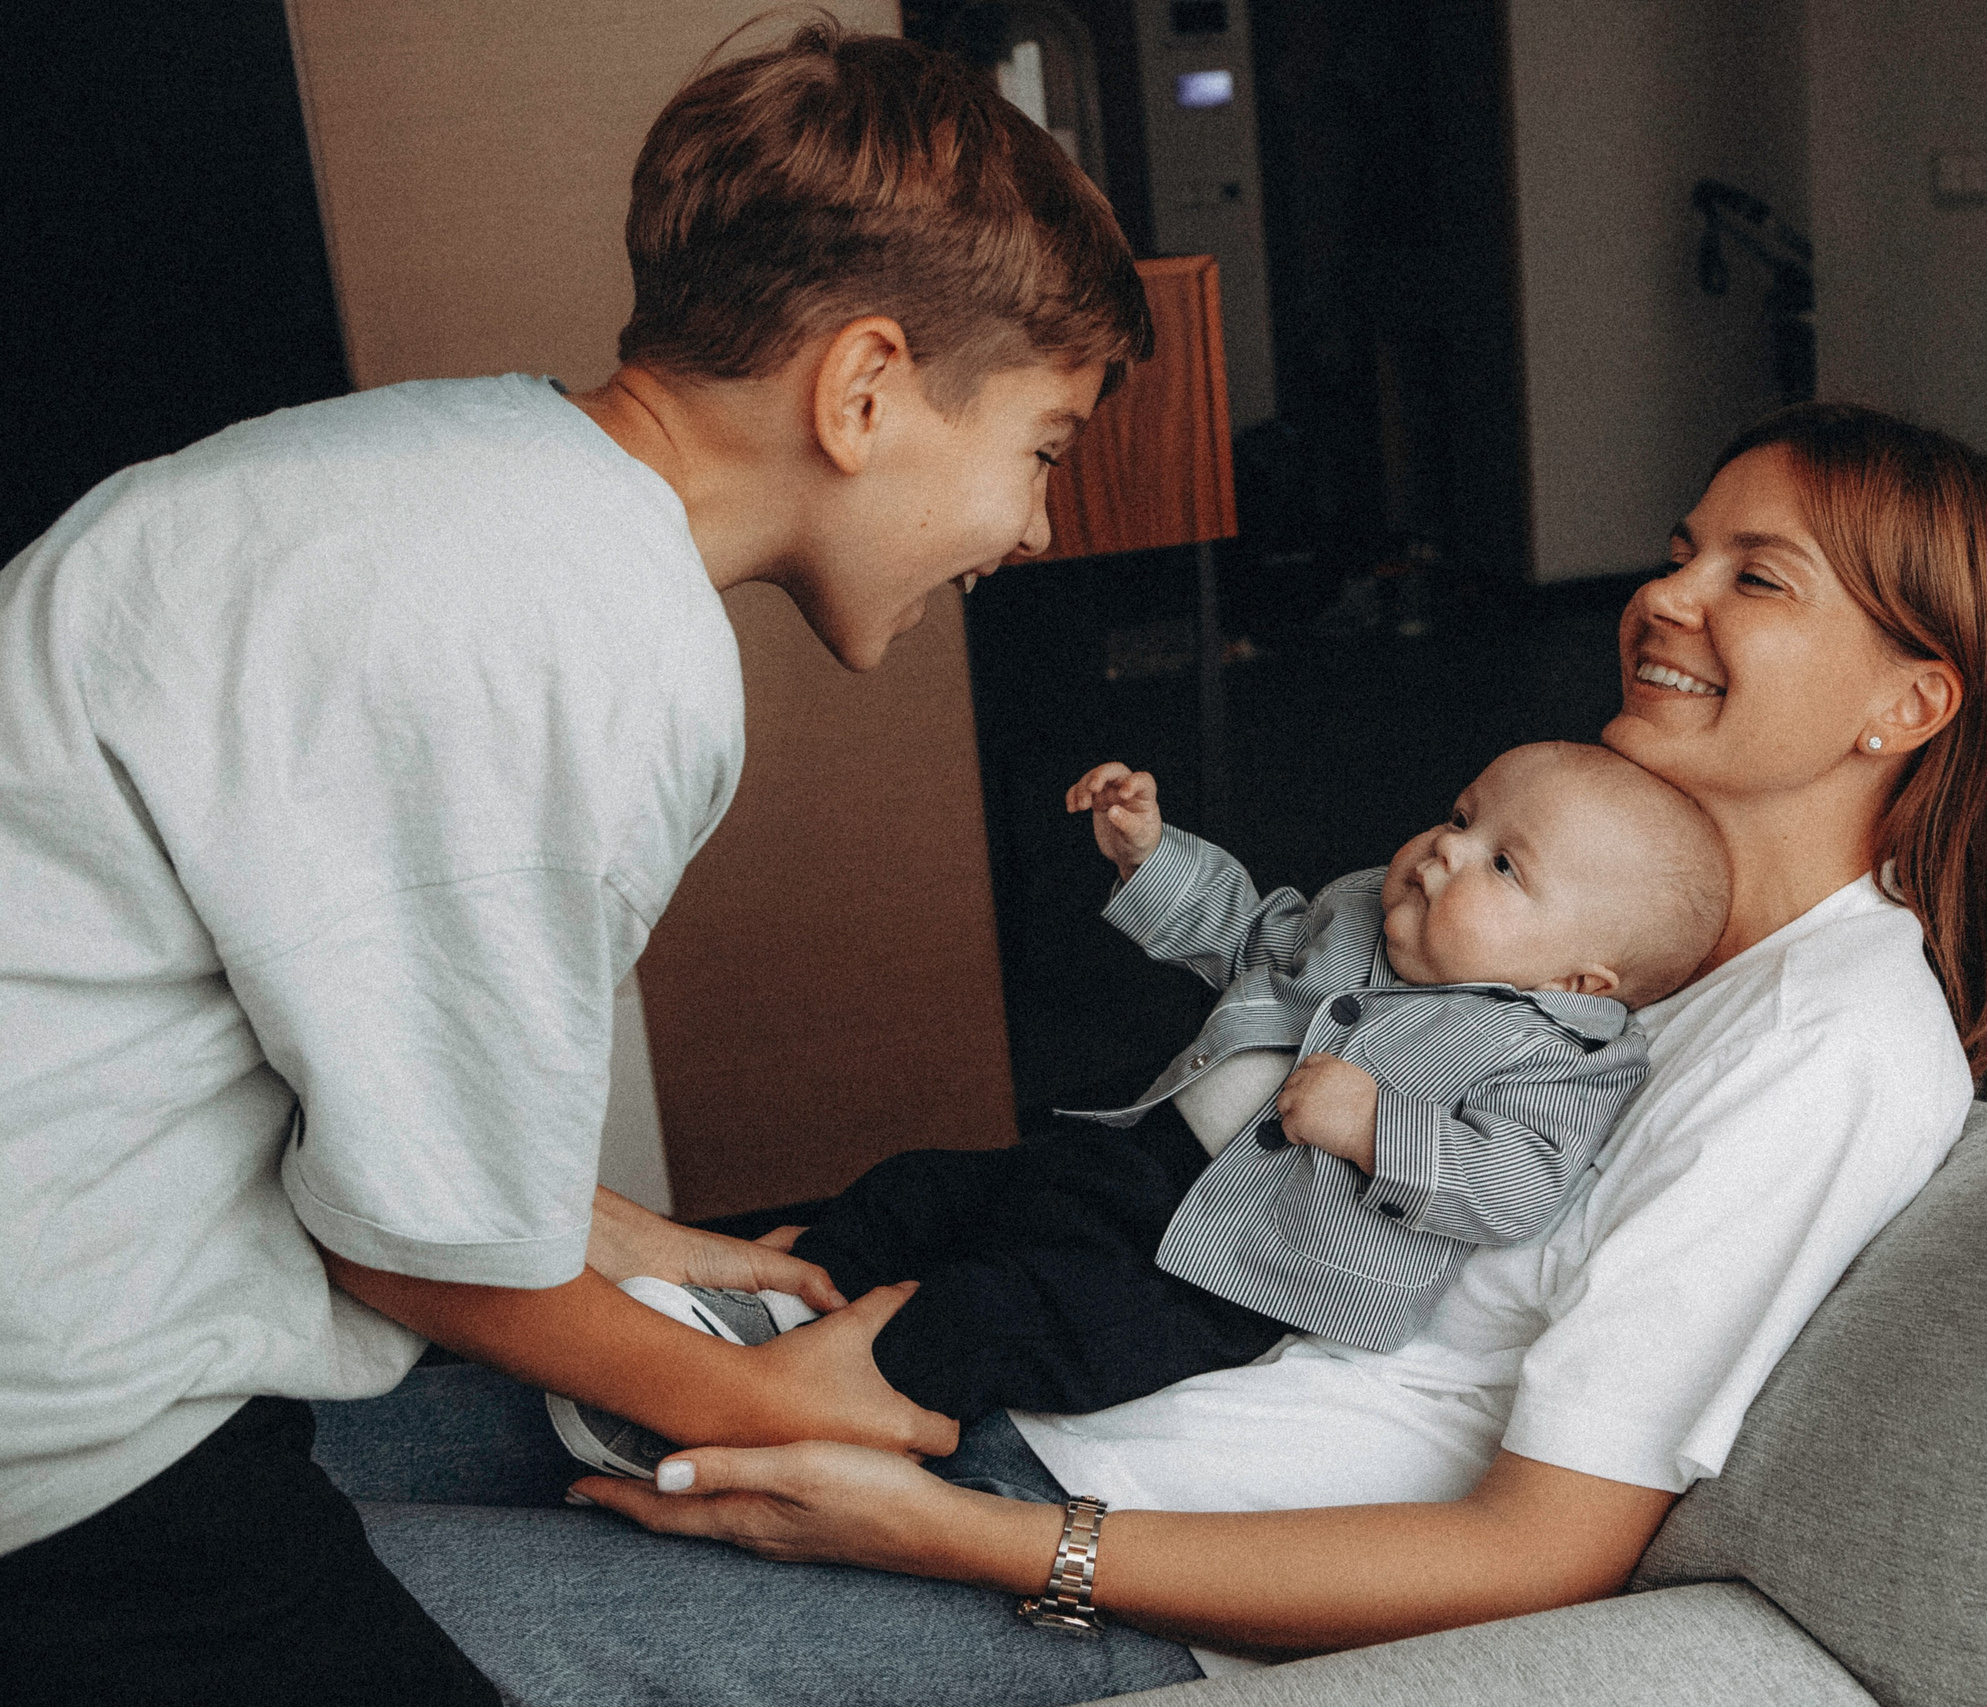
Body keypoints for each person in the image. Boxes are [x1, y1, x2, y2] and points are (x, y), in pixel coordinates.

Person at [314, 399, 1987, 1705]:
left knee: (280, 1612)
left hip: (1076, 1523)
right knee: (286, 1430)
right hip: (1013, 1367)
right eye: (1679, 552)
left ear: (1914, 700)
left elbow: (1542, 1548)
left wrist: (972, 1542)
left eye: (1763, 577)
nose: (1666, 598)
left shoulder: (1830, 1042)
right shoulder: (1599, 907)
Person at [0, 26, 1149, 1706]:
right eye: (1043, 448)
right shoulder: (597, 649)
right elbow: (413, 1243)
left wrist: (632, 1238)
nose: (1036, 529)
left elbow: (346, 1047)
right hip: (53, 1405)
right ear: (866, 389)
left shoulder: (466, 482)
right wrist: (785, 1407)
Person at [548, 740, 1727, 1474]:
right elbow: (1247, 934)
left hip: (1215, 1277)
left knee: (999, 1312)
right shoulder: (1365, 912)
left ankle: (767, 1412)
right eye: (1462, 817)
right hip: (1131, 1164)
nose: (1443, 855)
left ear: (1583, 981)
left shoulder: (1561, 1058)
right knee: (923, 1188)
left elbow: (1514, 1184)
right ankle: (774, 1301)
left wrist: (1376, 1125)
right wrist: (1150, 853)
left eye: (1503, 867)